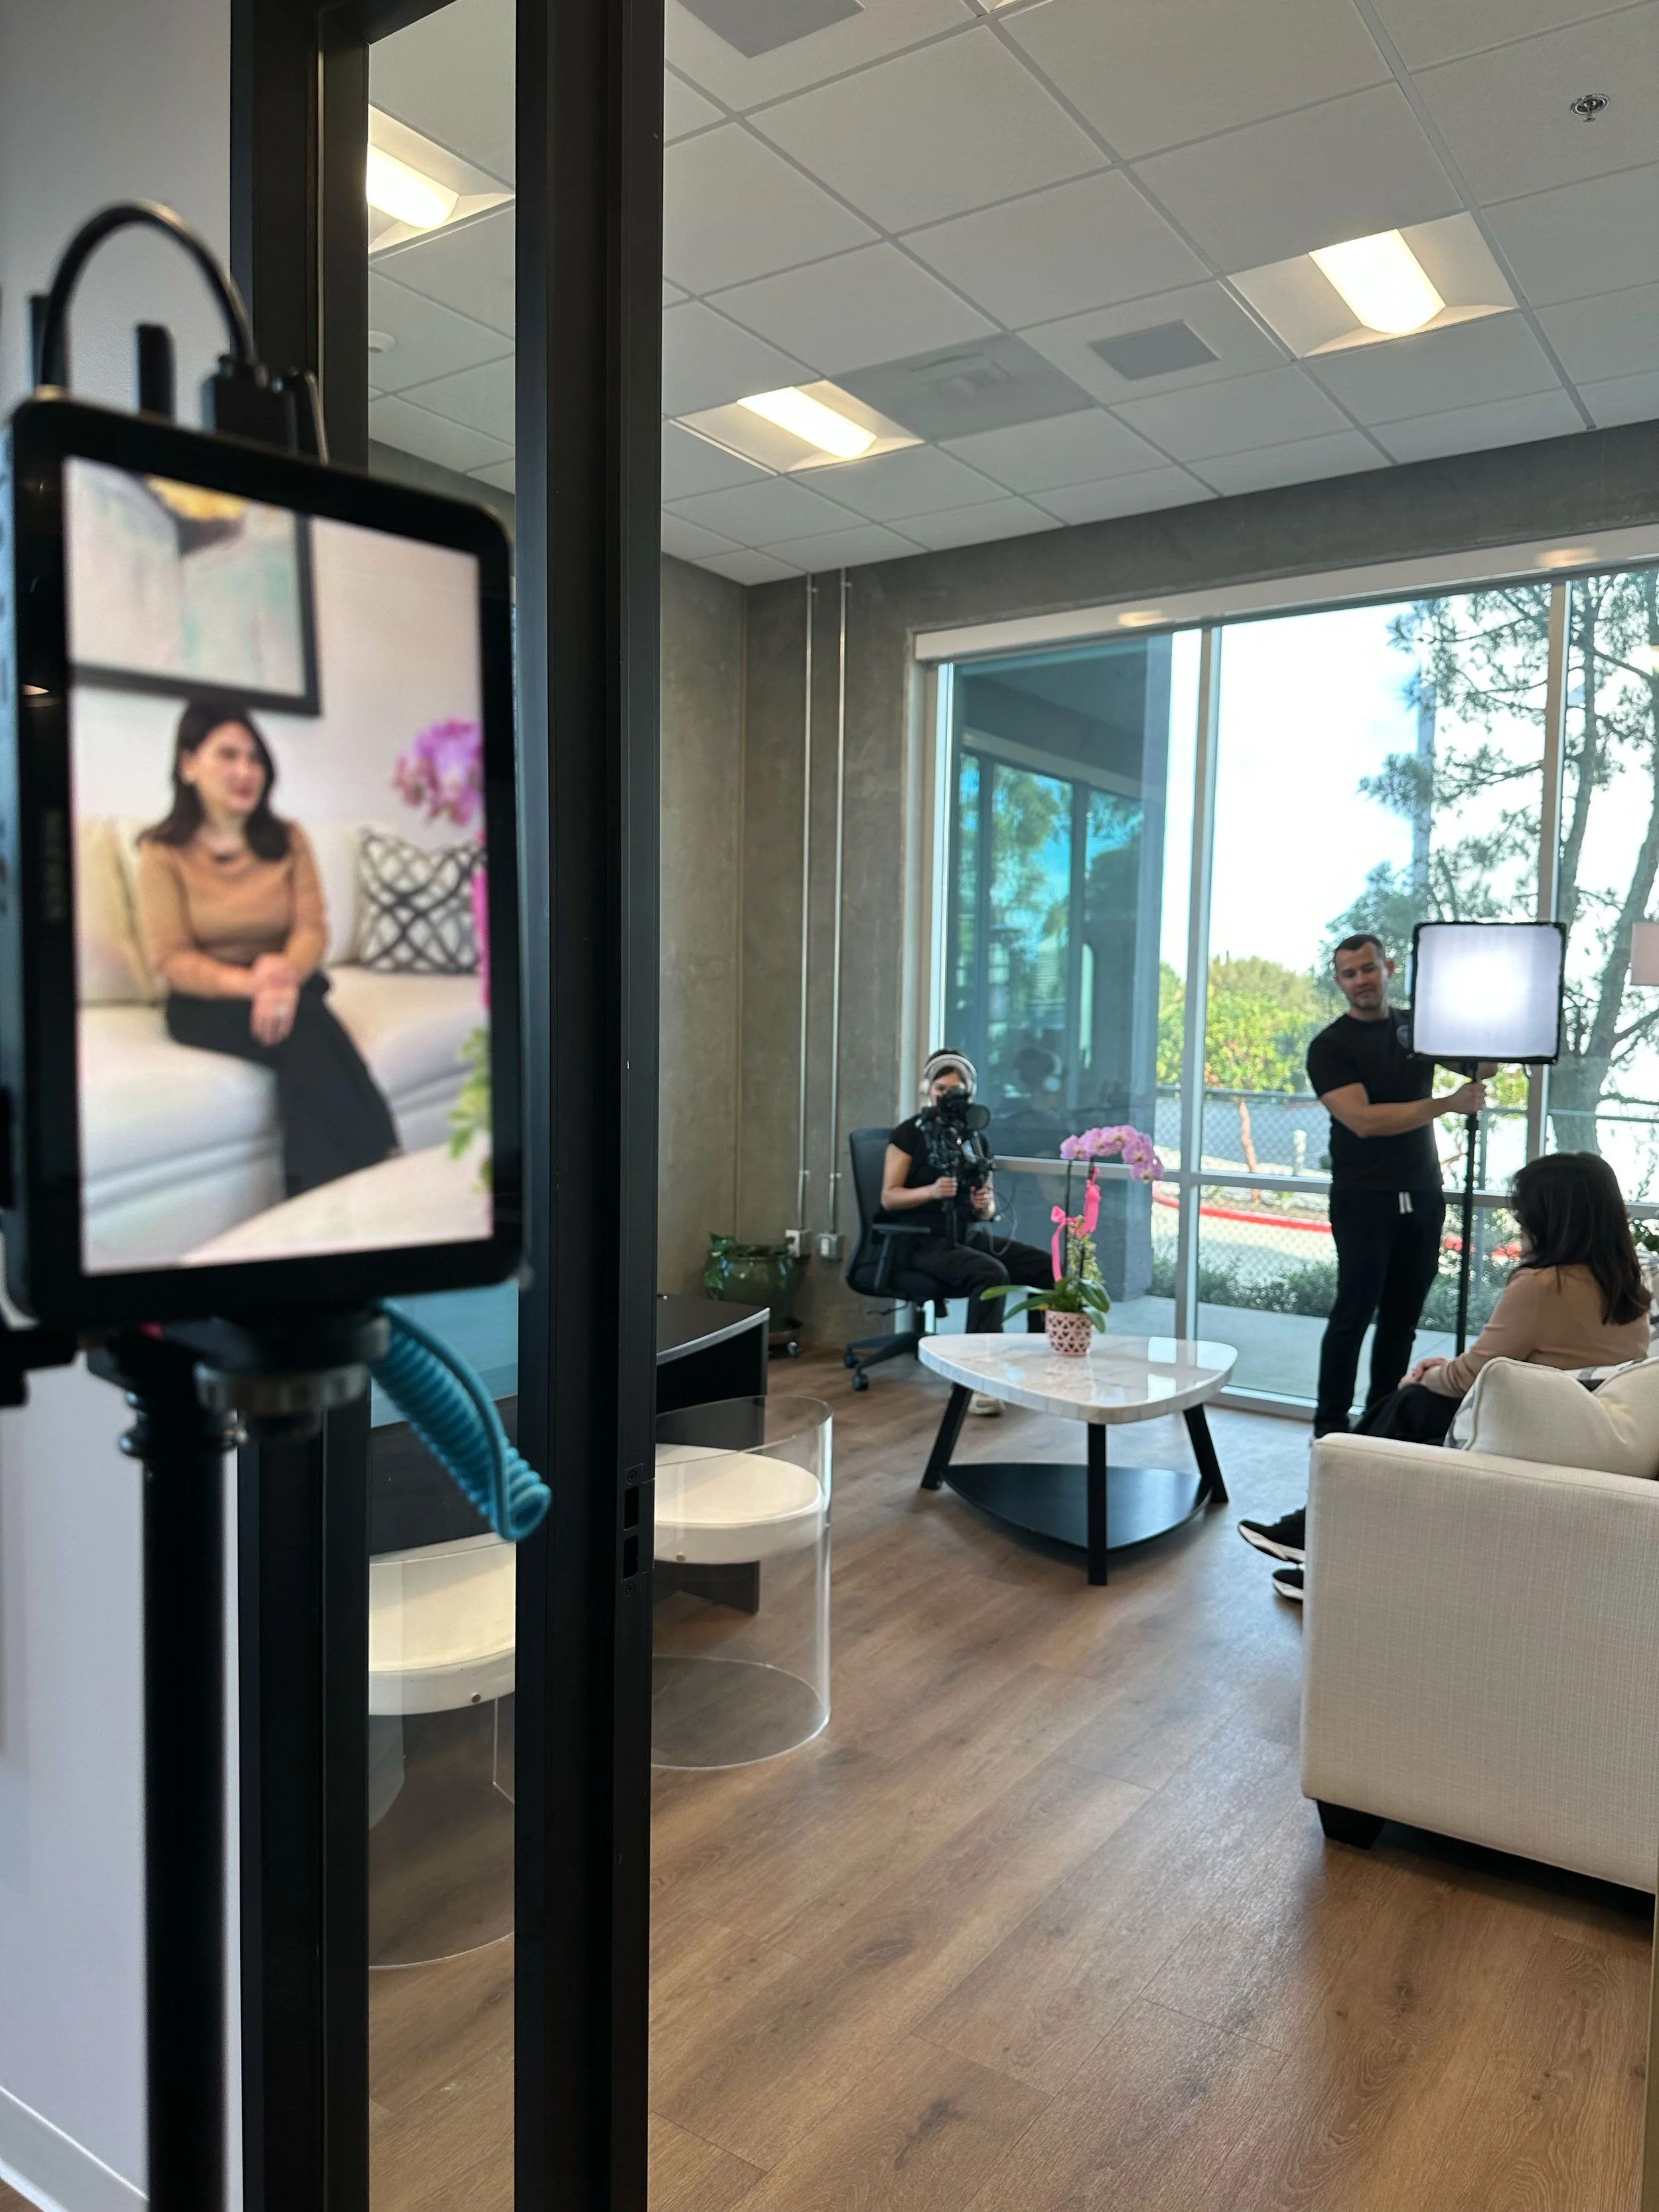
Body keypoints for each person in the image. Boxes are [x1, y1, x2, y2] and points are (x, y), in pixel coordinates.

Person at [1252, 1151, 1650, 1601]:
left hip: (1527, 1435)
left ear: (1552, 1219)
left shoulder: (1542, 1286)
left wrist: (1427, 1376)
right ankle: (1314, 1544)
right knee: (1405, 1410)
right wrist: (1442, 1371)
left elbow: (1473, 1377)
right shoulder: (1625, 1282)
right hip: (1579, 1431)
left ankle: (1312, 1535)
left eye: (1525, 1217)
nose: (1521, 1228)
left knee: (1407, 1406)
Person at [1236, 932, 1485, 1574]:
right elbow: (1366, 1120)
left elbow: (1483, 1067)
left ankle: (1380, 1424)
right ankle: (1330, 1430)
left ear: (1388, 967)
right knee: (1353, 1313)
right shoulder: (1331, 1045)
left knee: (1402, 1320)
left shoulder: (1418, 1029)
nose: (1361, 979)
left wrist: (1479, 1028)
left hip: (1422, 1195)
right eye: (1349, 973)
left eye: (1369, 968)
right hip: (1363, 1197)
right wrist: (1449, 1104)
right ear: (1340, 981)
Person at [135, 700, 399, 1205]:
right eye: (227, 755)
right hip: (208, 995)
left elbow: (312, 931)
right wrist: (255, 983)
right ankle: (372, 1167)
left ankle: (324, 1196)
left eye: (255, 758)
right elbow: (172, 958)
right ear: (188, 764)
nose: (245, 771)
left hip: (287, 975)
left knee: (302, 1029)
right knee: (307, 1023)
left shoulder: (288, 838)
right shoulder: (162, 851)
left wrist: (282, 972)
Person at [881, 1051, 1054, 1416]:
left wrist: (983, 1204)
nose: (947, 1096)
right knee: (991, 1275)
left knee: (1046, 1267)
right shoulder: (909, 1134)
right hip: (919, 1240)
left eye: (956, 1090)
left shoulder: (975, 1139)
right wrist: (930, 1192)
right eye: (941, 1088)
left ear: (970, 1094)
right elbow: (889, 1197)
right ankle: (977, 1381)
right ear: (928, 1090)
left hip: (965, 1235)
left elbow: (987, 1210)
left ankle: (1038, 1371)